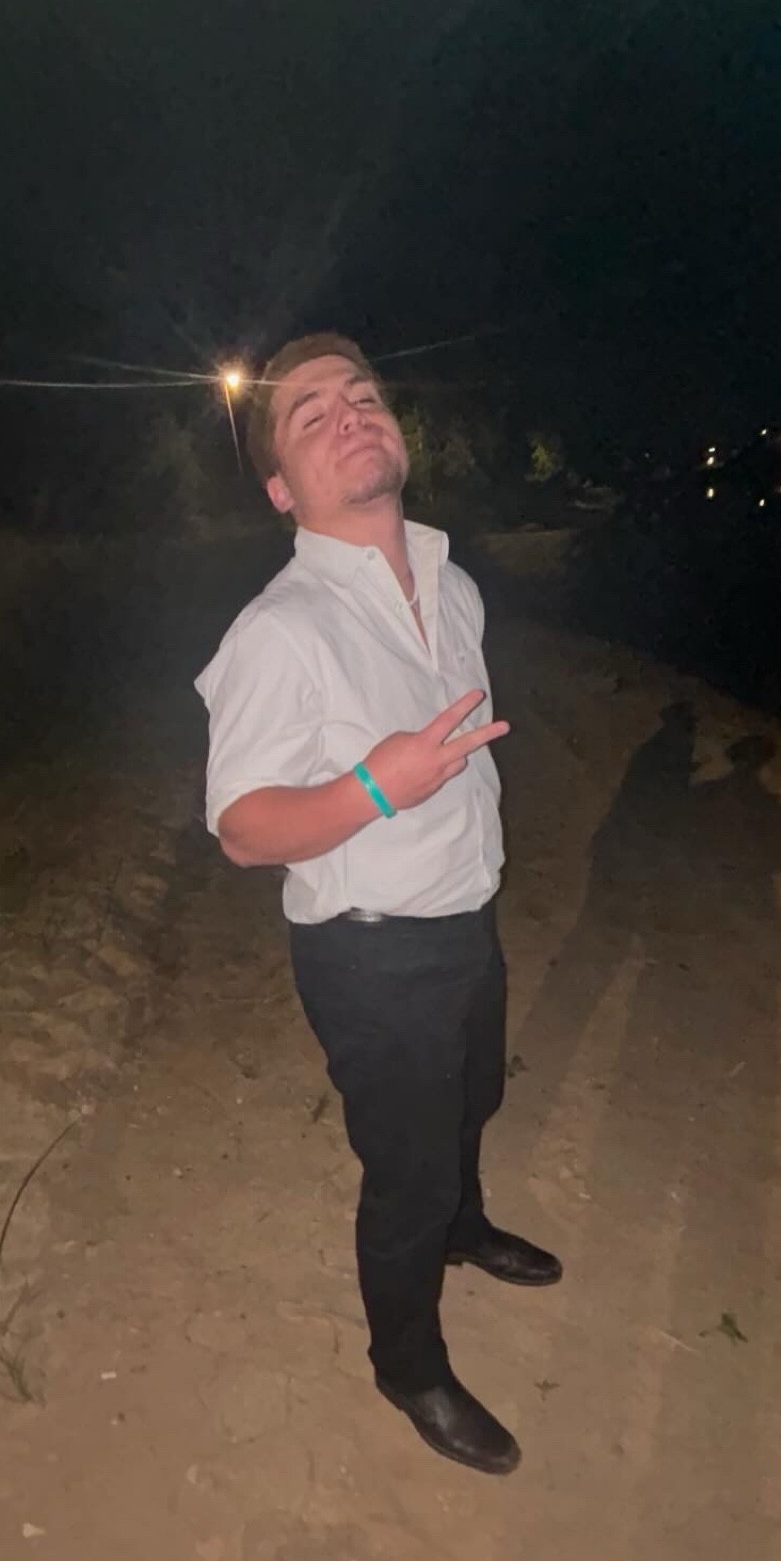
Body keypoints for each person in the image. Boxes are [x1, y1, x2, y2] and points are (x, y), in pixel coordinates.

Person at [194, 333, 561, 1476]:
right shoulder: (280, 630)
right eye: (310, 415)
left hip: (468, 912)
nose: (348, 414)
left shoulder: (453, 586)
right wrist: (375, 785)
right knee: (406, 1173)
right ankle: (408, 1365)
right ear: (281, 489)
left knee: (475, 1098)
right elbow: (243, 830)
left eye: (361, 396)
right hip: (371, 956)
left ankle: (464, 1228)